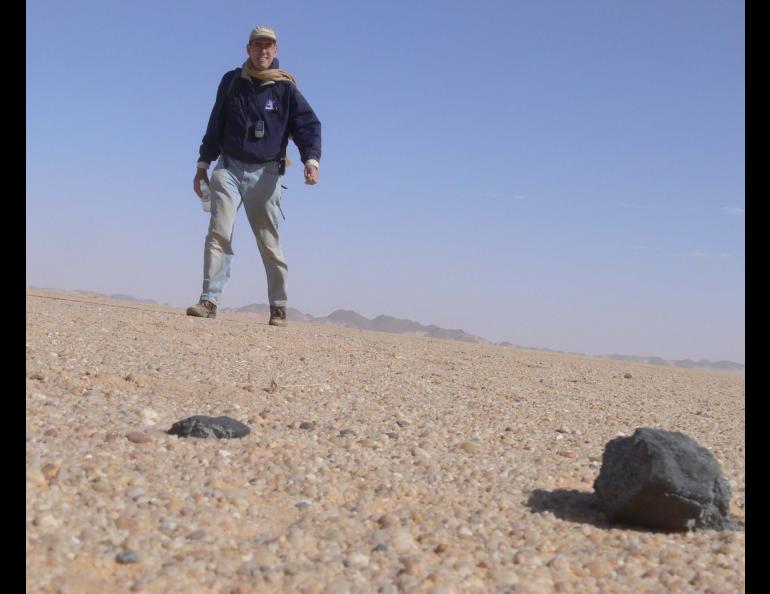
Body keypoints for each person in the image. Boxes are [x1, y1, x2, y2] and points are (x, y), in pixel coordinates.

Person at [187, 25, 321, 327]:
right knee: (219, 230)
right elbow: (215, 123)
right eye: (257, 46)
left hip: (267, 173)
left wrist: (311, 160)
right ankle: (209, 299)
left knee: (269, 242)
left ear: (275, 52)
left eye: (268, 46)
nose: (263, 51)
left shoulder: (285, 88)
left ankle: (278, 305)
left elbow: (308, 126)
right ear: (248, 49)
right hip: (229, 167)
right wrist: (202, 165)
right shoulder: (232, 82)